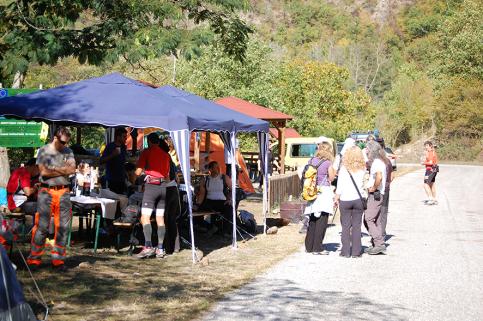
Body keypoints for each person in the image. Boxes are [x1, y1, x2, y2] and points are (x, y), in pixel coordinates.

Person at [27, 127, 76, 270]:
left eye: (67, 142)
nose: (65, 145)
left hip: (63, 192)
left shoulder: (68, 151)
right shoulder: (43, 150)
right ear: (55, 138)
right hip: (46, 191)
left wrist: (53, 169)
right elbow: (43, 172)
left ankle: (58, 261)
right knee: (41, 226)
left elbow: (72, 170)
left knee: (63, 228)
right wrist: (62, 170)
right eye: (62, 142)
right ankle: (34, 260)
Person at [135, 133, 171, 259]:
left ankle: (148, 247)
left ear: (149, 141)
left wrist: (139, 172)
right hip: (163, 188)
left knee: (145, 217)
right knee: (160, 218)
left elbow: (138, 171)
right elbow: (167, 177)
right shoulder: (166, 155)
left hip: (151, 187)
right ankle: (160, 249)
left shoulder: (147, 152)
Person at [303, 142, 335, 254]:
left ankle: (309, 246)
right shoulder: (327, 163)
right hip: (323, 191)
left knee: (312, 219)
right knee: (322, 219)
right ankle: (317, 247)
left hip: (311, 190)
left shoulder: (311, 160)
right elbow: (331, 177)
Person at [334, 146, 366, 258]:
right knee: (357, 226)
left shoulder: (343, 169)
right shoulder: (363, 169)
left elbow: (340, 186)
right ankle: (356, 251)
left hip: (345, 199)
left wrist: (336, 197)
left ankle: (345, 251)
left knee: (345, 226)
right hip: (358, 199)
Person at [196, 161, 233, 236]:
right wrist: (198, 204)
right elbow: (202, 193)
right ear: (210, 169)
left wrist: (229, 199)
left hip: (221, 201)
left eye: (217, 167)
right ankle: (206, 227)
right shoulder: (205, 179)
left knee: (229, 209)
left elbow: (233, 189)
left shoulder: (224, 177)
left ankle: (225, 230)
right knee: (197, 210)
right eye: (215, 167)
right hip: (209, 201)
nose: (217, 169)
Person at [364, 140, 387, 255]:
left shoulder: (377, 163)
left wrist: (373, 187)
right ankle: (377, 242)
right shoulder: (379, 161)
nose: (366, 151)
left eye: (367, 149)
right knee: (375, 219)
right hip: (378, 194)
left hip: (375, 194)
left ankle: (379, 244)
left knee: (368, 218)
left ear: (371, 150)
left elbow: (379, 176)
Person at [100, 127, 128, 194]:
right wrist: (112, 155)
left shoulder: (123, 147)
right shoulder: (110, 146)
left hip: (121, 180)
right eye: (124, 137)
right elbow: (101, 161)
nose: (126, 138)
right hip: (111, 180)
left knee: (120, 200)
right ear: (118, 137)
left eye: (126, 137)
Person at [378, 147, 393, 239]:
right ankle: (382, 233)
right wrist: (387, 183)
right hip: (386, 188)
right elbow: (392, 175)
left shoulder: (376, 163)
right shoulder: (388, 161)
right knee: (384, 211)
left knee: (376, 212)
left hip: (377, 189)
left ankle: (377, 234)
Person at [422, 141, 438, 205]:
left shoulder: (431, 152)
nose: (426, 147)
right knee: (432, 184)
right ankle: (434, 199)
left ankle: (430, 199)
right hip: (434, 170)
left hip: (430, 170)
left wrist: (423, 163)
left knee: (425, 184)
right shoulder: (432, 152)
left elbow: (431, 163)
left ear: (430, 146)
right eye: (425, 146)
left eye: (427, 146)